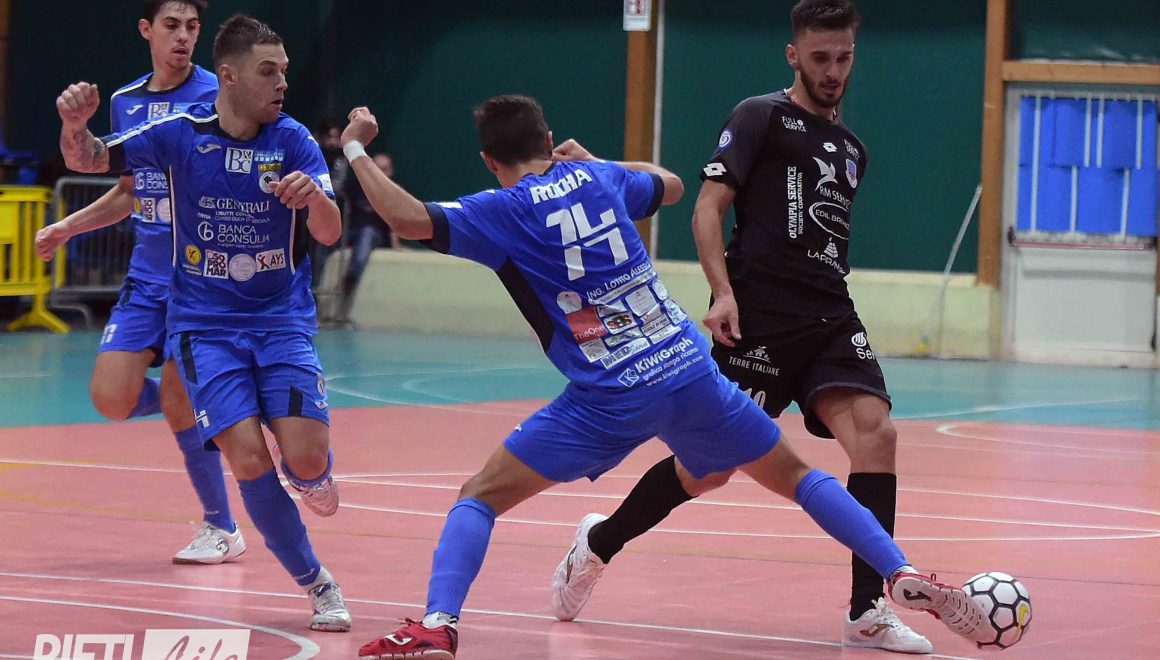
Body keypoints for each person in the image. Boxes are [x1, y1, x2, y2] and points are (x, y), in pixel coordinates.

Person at [339, 96, 990, 659]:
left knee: (479, 496)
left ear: (489, 160)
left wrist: (356, 150)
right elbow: (672, 185)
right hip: (687, 368)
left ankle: (438, 624)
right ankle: (897, 569)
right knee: (798, 477)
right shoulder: (597, 178)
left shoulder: (501, 210)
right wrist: (598, 162)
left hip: (609, 394)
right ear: (548, 139)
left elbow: (406, 217)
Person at [549, 0, 933, 653]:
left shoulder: (853, 150)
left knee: (877, 435)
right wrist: (722, 293)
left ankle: (867, 609)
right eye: (820, 57)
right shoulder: (759, 116)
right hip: (758, 318)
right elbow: (707, 210)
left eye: (843, 57)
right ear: (793, 55)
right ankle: (599, 543)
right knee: (708, 468)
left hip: (830, 315)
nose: (833, 70)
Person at [55, 13, 351, 632]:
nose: (282, 83)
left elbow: (329, 233)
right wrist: (74, 127)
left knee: (304, 458)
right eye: (268, 72)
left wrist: (314, 199)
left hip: (280, 320)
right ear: (231, 77)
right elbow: (92, 159)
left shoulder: (293, 140)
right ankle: (318, 584)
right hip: (204, 325)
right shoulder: (179, 134)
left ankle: (314, 477)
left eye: (284, 71)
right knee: (248, 460)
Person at [35, 0, 243, 566]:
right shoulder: (127, 101)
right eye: (171, 26)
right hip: (147, 277)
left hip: (200, 277)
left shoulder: (216, 95)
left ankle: (221, 526)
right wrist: (70, 224)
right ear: (146, 30)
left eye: (192, 27)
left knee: (178, 396)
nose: (183, 37)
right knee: (111, 398)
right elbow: (129, 189)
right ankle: (207, 405)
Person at [334, 152, 401, 323]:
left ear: (391, 172)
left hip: (375, 234)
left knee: (367, 233)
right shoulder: (356, 189)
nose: (381, 173)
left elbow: (396, 223)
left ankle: (351, 277)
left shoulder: (395, 193)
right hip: (350, 232)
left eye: (385, 169)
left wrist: (397, 246)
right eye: (377, 169)